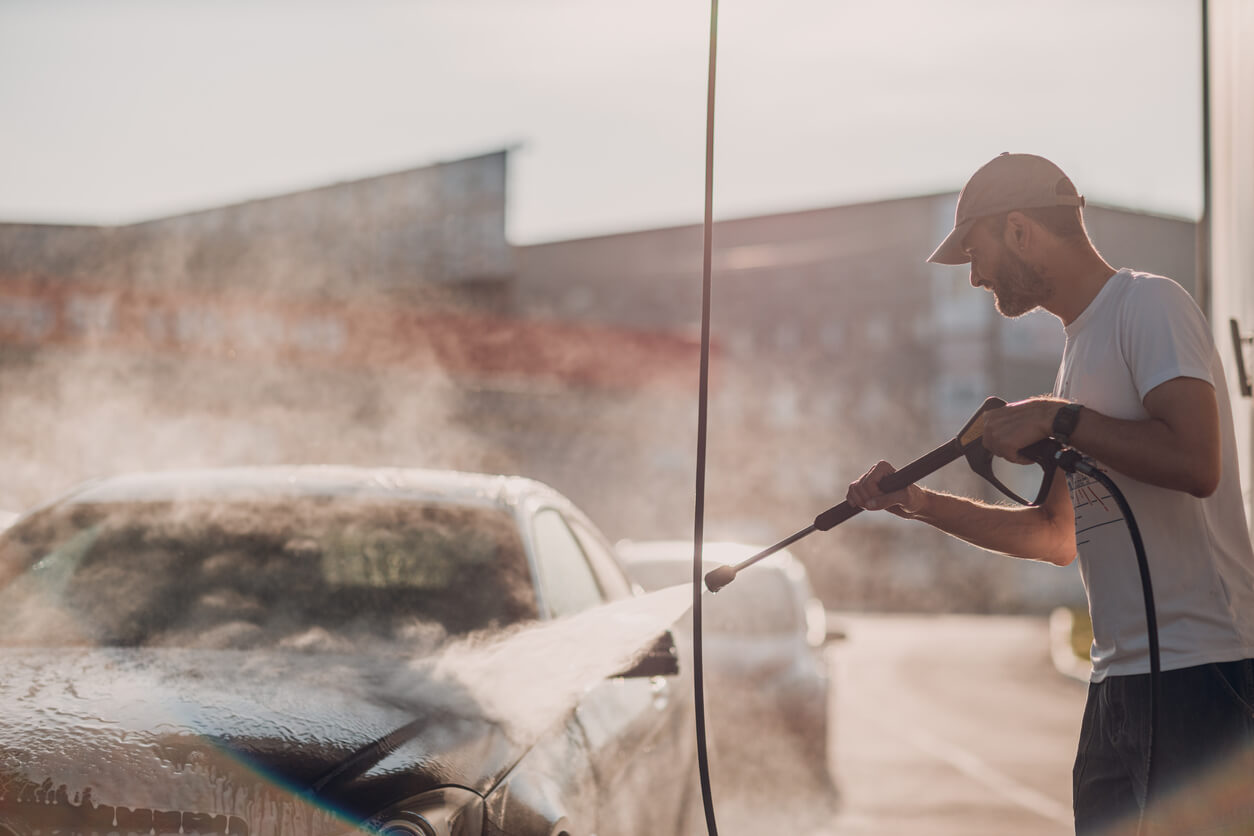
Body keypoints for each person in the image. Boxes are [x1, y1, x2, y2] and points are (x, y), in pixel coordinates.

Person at [846, 152, 1254, 834]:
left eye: (974, 254)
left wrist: (1055, 419)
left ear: (1018, 231)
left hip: (1202, 678)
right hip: (1116, 689)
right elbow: (1057, 536)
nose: (975, 277)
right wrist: (917, 503)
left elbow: (1196, 460)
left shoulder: (1148, 305)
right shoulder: (1076, 351)